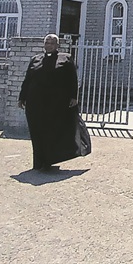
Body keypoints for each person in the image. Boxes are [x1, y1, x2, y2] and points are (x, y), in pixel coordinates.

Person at [18, 34, 90, 172]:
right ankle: (38, 162)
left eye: (52, 43)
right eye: (47, 43)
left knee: (51, 132)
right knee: (37, 132)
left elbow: (72, 79)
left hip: (55, 105)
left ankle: (49, 161)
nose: (49, 45)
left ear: (57, 45)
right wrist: (22, 98)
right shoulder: (36, 59)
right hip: (36, 103)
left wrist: (73, 97)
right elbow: (28, 80)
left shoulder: (65, 59)